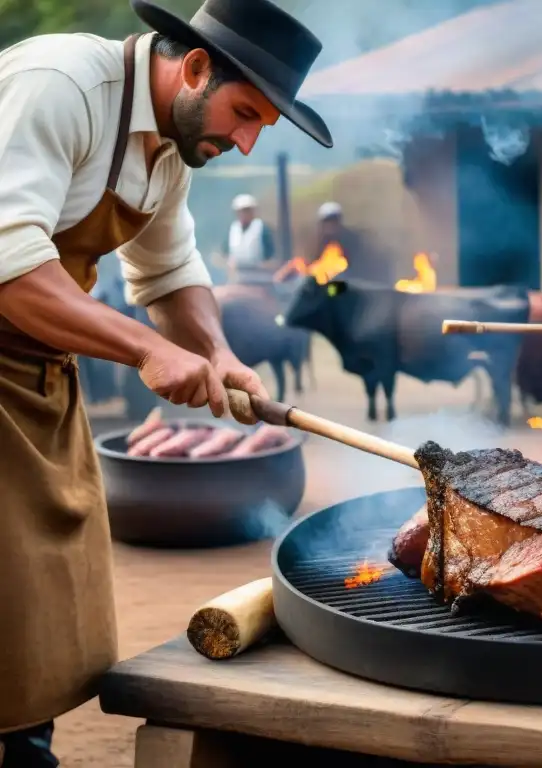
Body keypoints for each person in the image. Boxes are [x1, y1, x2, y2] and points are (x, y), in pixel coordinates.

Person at [0, 0, 332, 762]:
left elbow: (169, 271)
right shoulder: (61, 87)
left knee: (47, 599)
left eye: (261, 130)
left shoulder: (173, 149)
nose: (244, 142)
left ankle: (25, 747)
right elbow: (10, 263)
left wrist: (215, 353)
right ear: (193, 67)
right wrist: (148, 352)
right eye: (244, 114)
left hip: (34, 377)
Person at [224, 193, 277, 284]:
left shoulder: (262, 229)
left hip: (260, 278)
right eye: (241, 211)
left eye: (247, 210)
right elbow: (226, 253)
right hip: (239, 278)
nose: (244, 214)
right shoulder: (233, 229)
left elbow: (271, 256)